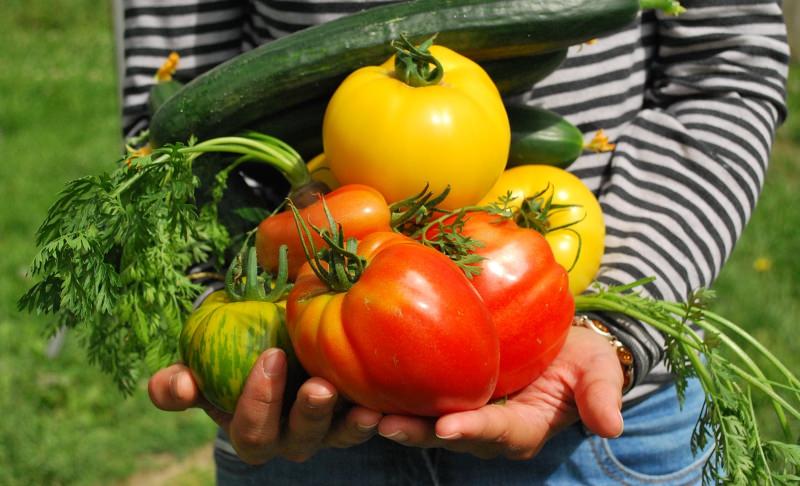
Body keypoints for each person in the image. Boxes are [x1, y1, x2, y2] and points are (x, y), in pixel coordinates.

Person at [118, 0, 789, 483]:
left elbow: (726, 68)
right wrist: (230, 315)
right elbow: (174, 125)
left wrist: (612, 329)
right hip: (304, 398)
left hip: (603, 419)